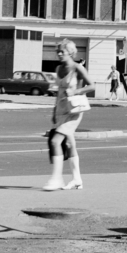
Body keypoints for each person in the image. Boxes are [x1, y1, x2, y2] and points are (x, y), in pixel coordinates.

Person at [45, 39, 94, 191]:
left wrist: (76, 91)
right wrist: (54, 110)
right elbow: (58, 92)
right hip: (60, 111)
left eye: (62, 51)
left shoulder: (77, 68)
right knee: (69, 144)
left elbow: (92, 86)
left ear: (71, 53)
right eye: (57, 51)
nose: (59, 54)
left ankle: (56, 178)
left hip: (73, 112)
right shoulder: (59, 68)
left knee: (55, 141)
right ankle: (77, 180)